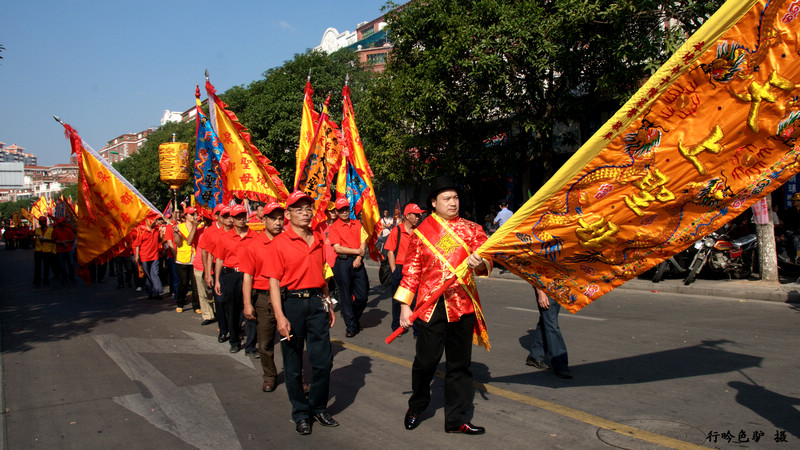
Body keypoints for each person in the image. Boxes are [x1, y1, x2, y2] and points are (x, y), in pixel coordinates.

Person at [397, 177, 491, 435]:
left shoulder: (473, 229)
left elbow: (488, 261)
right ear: (434, 202)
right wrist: (405, 306)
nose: (453, 203)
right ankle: (416, 406)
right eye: (447, 199)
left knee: (460, 366)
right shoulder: (422, 232)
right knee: (426, 362)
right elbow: (412, 270)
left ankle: (456, 420)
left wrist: (480, 262)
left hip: (462, 304)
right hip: (431, 305)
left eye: (456, 198)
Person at [265, 191, 338, 435]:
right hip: (292, 306)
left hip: (316, 304)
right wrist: (280, 316)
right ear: (287, 215)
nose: (305, 213)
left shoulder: (317, 238)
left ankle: (318, 407)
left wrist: (327, 303)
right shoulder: (279, 243)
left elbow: (322, 274)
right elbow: (273, 282)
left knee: (323, 361)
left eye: (308, 208)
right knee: (293, 364)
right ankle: (301, 413)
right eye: (299, 209)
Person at [241, 201, 284, 391]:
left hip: (287, 296)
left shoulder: (288, 241)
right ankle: (269, 375)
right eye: (273, 218)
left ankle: (296, 376)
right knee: (265, 342)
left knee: (292, 339)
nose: (277, 222)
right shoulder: (253, 245)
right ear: (263, 219)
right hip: (264, 298)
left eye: (280, 218)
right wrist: (247, 303)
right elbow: (247, 276)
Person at [213, 204, 258, 353]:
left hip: (250, 276)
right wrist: (217, 280)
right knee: (232, 310)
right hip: (231, 276)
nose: (241, 219)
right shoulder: (224, 238)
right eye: (237, 217)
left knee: (251, 309)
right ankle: (234, 341)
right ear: (232, 219)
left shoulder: (255, 236)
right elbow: (219, 259)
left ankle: (251, 346)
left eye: (243, 216)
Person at [329, 197, 369, 338]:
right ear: (337, 212)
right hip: (343, 263)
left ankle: (353, 317)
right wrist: (356, 252)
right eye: (341, 210)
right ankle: (351, 326)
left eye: (346, 209)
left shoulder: (357, 223)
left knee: (362, 296)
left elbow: (363, 240)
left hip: (357, 261)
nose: (344, 212)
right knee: (345, 296)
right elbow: (338, 248)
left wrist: (359, 257)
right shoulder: (333, 228)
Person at [387, 203, 425, 334]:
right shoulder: (396, 231)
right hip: (399, 269)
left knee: (415, 300)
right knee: (398, 301)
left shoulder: (419, 232)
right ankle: (397, 327)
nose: (418, 217)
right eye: (415, 215)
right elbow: (390, 251)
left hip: (414, 271)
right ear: (407, 216)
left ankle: (416, 328)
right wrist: (394, 270)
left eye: (419, 215)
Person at [525, 287, 572, 379]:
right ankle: (560, 364)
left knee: (546, 321)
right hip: (545, 290)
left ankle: (535, 355)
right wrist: (541, 293)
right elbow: (534, 274)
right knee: (552, 326)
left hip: (557, 287)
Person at [174, 207, 201, 314]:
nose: (193, 216)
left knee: (195, 285)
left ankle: (196, 305)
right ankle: (179, 303)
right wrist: (176, 234)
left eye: (194, 213)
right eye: (190, 214)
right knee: (184, 283)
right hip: (183, 259)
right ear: (185, 216)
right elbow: (177, 243)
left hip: (195, 258)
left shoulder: (199, 226)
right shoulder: (179, 227)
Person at [135, 216, 165, 299]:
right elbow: (137, 244)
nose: (154, 221)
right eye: (152, 220)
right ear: (147, 221)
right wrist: (137, 256)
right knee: (148, 275)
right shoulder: (142, 231)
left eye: (154, 220)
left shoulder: (157, 230)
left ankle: (157, 292)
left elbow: (160, 240)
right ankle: (150, 292)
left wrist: (162, 234)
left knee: (155, 273)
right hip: (145, 256)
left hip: (154, 255)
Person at [33, 216, 57, 286]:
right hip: (38, 250)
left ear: (45, 222)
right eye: (40, 222)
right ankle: (37, 280)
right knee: (37, 267)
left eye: (42, 221)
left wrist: (46, 240)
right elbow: (31, 235)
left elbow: (55, 240)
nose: (41, 223)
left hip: (47, 251)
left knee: (46, 267)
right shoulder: (37, 230)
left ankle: (46, 279)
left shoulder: (51, 230)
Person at [52, 218, 76, 284]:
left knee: (71, 264)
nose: (60, 224)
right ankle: (64, 278)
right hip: (60, 250)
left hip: (68, 249)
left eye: (61, 223)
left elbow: (73, 239)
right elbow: (54, 240)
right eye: (59, 223)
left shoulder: (69, 230)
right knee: (62, 265)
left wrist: (65, 242)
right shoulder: (56, 231)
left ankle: (72, 277)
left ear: (64, 223)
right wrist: (61, 243)